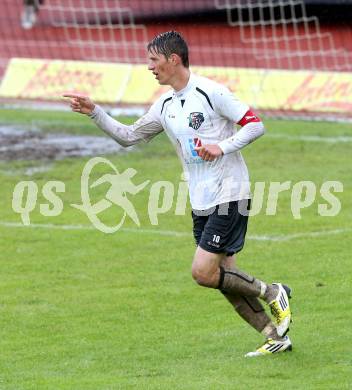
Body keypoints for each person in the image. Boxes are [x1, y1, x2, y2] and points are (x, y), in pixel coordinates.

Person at [64, 31, 292, 357]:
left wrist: (221, 146)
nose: (149, 67)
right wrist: (94, 111)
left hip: (229, 191)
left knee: (202, 272)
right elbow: (129, 136)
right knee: (222, 276)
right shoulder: (165, 105)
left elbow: (255, 124)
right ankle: (275, 336)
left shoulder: (211, 92)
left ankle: (274, 291)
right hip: (200, 199)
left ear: (173, 59)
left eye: (153, 60)